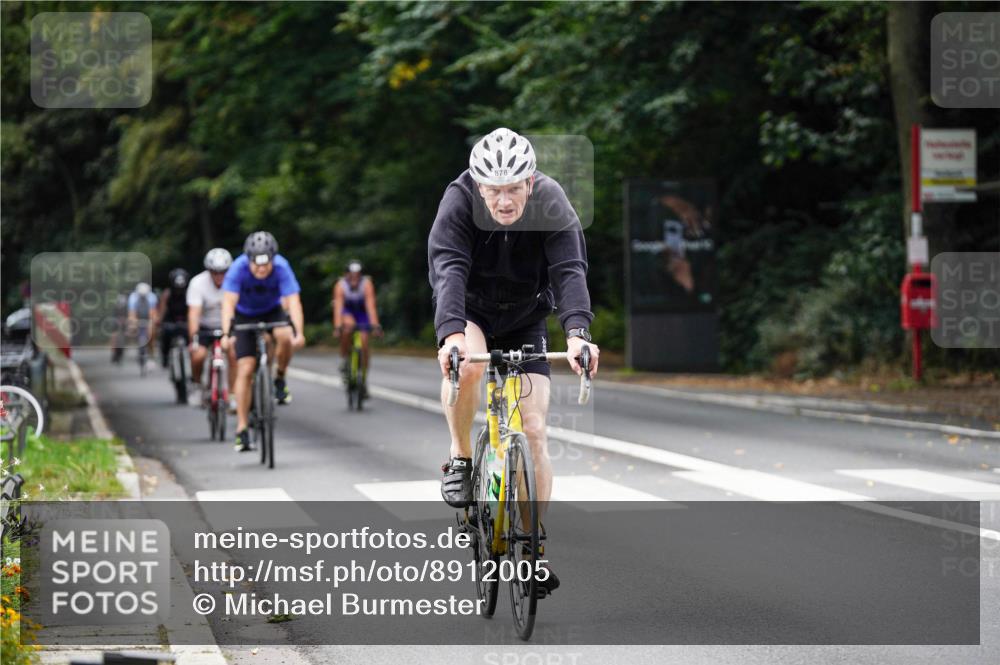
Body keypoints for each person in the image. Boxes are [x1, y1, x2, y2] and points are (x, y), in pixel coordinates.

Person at [427, 127, 600, 594]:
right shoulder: (459, 201)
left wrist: (579, 334)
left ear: (530, 181)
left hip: (526, 316)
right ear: (479, 186)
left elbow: (569, 269)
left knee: (536, 430)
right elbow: (449, 269)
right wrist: (450, 336)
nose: (504, 202)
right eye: (494, 191)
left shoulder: (551, 200)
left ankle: (533, 548)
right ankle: (461, 457)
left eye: (513, 189)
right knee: (468, 366)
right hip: (472, 310)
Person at [220, 231, 305, 452]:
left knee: (284, 336)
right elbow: (228, 302)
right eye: (256, 265)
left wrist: (299, 333)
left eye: (265, 265)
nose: (261, 269)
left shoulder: (282, 267)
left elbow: (294, 301)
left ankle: (279, 378)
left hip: (272, 311)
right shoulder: (237, 268)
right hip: (244, 314)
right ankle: (242, 428)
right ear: (248, 260)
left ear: (272, 259)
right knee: (245, 369)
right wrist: (226, 334)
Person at [187, 248, 237, 410]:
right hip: (205, 327)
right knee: (198, 355)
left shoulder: (235, 281)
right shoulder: (197, 283)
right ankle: (196, 384)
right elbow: (194, 313)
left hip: (228, 326)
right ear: (209, 271)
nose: (219, 276)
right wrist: (193, 337)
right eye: (215, 272)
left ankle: (232, 393)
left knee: (234, 353)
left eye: (223, 272)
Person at [332, 260, 383, 391]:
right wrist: (337, 326)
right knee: (348, 327)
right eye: (351, 275)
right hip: (347, 311)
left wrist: (375, 325)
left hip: (362, 312)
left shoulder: (366, 284)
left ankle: (363, 378)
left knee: (364, 342)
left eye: (357, 275)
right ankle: (344, 360)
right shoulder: (340, 285)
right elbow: (338, 307)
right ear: (346, 275)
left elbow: (370, 306)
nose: (354, 278)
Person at [158, 268, 190, 371]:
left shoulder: (189, 293)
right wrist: (159, 321)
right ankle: (165, 356)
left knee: (192, 337)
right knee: (165, 334)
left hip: (186, 321)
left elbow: (193, 310)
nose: (179, 291)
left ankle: (191, 362)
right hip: (171, 321)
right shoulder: (167, 294)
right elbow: (162, 310)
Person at [126, 282, 158, 363]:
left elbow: (153, 312)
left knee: (151, 332)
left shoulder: (152, 297)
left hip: (148, 317)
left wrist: (152, 322)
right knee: (132, 328)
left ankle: (151, 351)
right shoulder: (133, 297)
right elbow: (132, 313)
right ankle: (137, 343)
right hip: (138, 317)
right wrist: (133, 323)